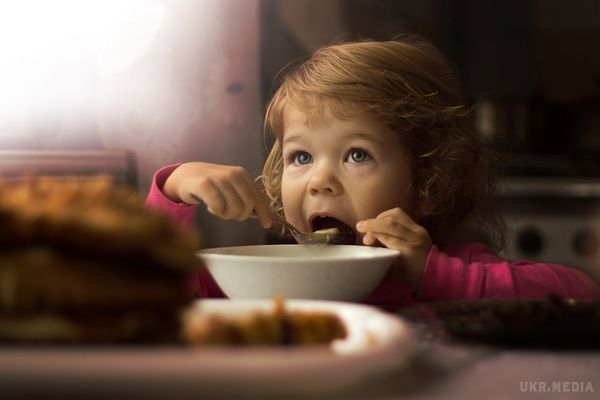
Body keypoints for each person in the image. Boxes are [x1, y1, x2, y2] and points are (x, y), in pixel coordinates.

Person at [146, 35, 600, 305]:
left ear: (429, 185)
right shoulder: (260, 279)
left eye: (357, 154)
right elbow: (152, 287)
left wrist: (432, 273)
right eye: (301, 157)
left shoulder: (441, 272)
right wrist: (175, 186)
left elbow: (578, 292)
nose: (320, 180)